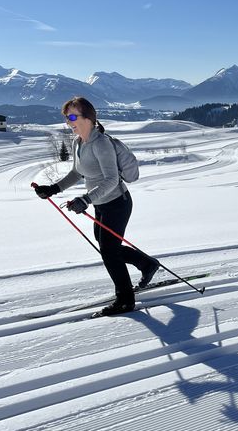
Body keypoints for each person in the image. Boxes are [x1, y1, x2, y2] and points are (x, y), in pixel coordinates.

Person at [32, 97, 158, 316]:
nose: (68, 121)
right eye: (66, 117)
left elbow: (110, 180)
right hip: (100, 204)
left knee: (109, 252)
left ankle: (126, 300)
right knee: (108, 248)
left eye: (72, 116)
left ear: (88, 118)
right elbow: (77, 172)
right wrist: (53, 189)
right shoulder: (78, 142)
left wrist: (85, 200)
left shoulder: (101, 144)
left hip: (117, 203)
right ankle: (147, 264)